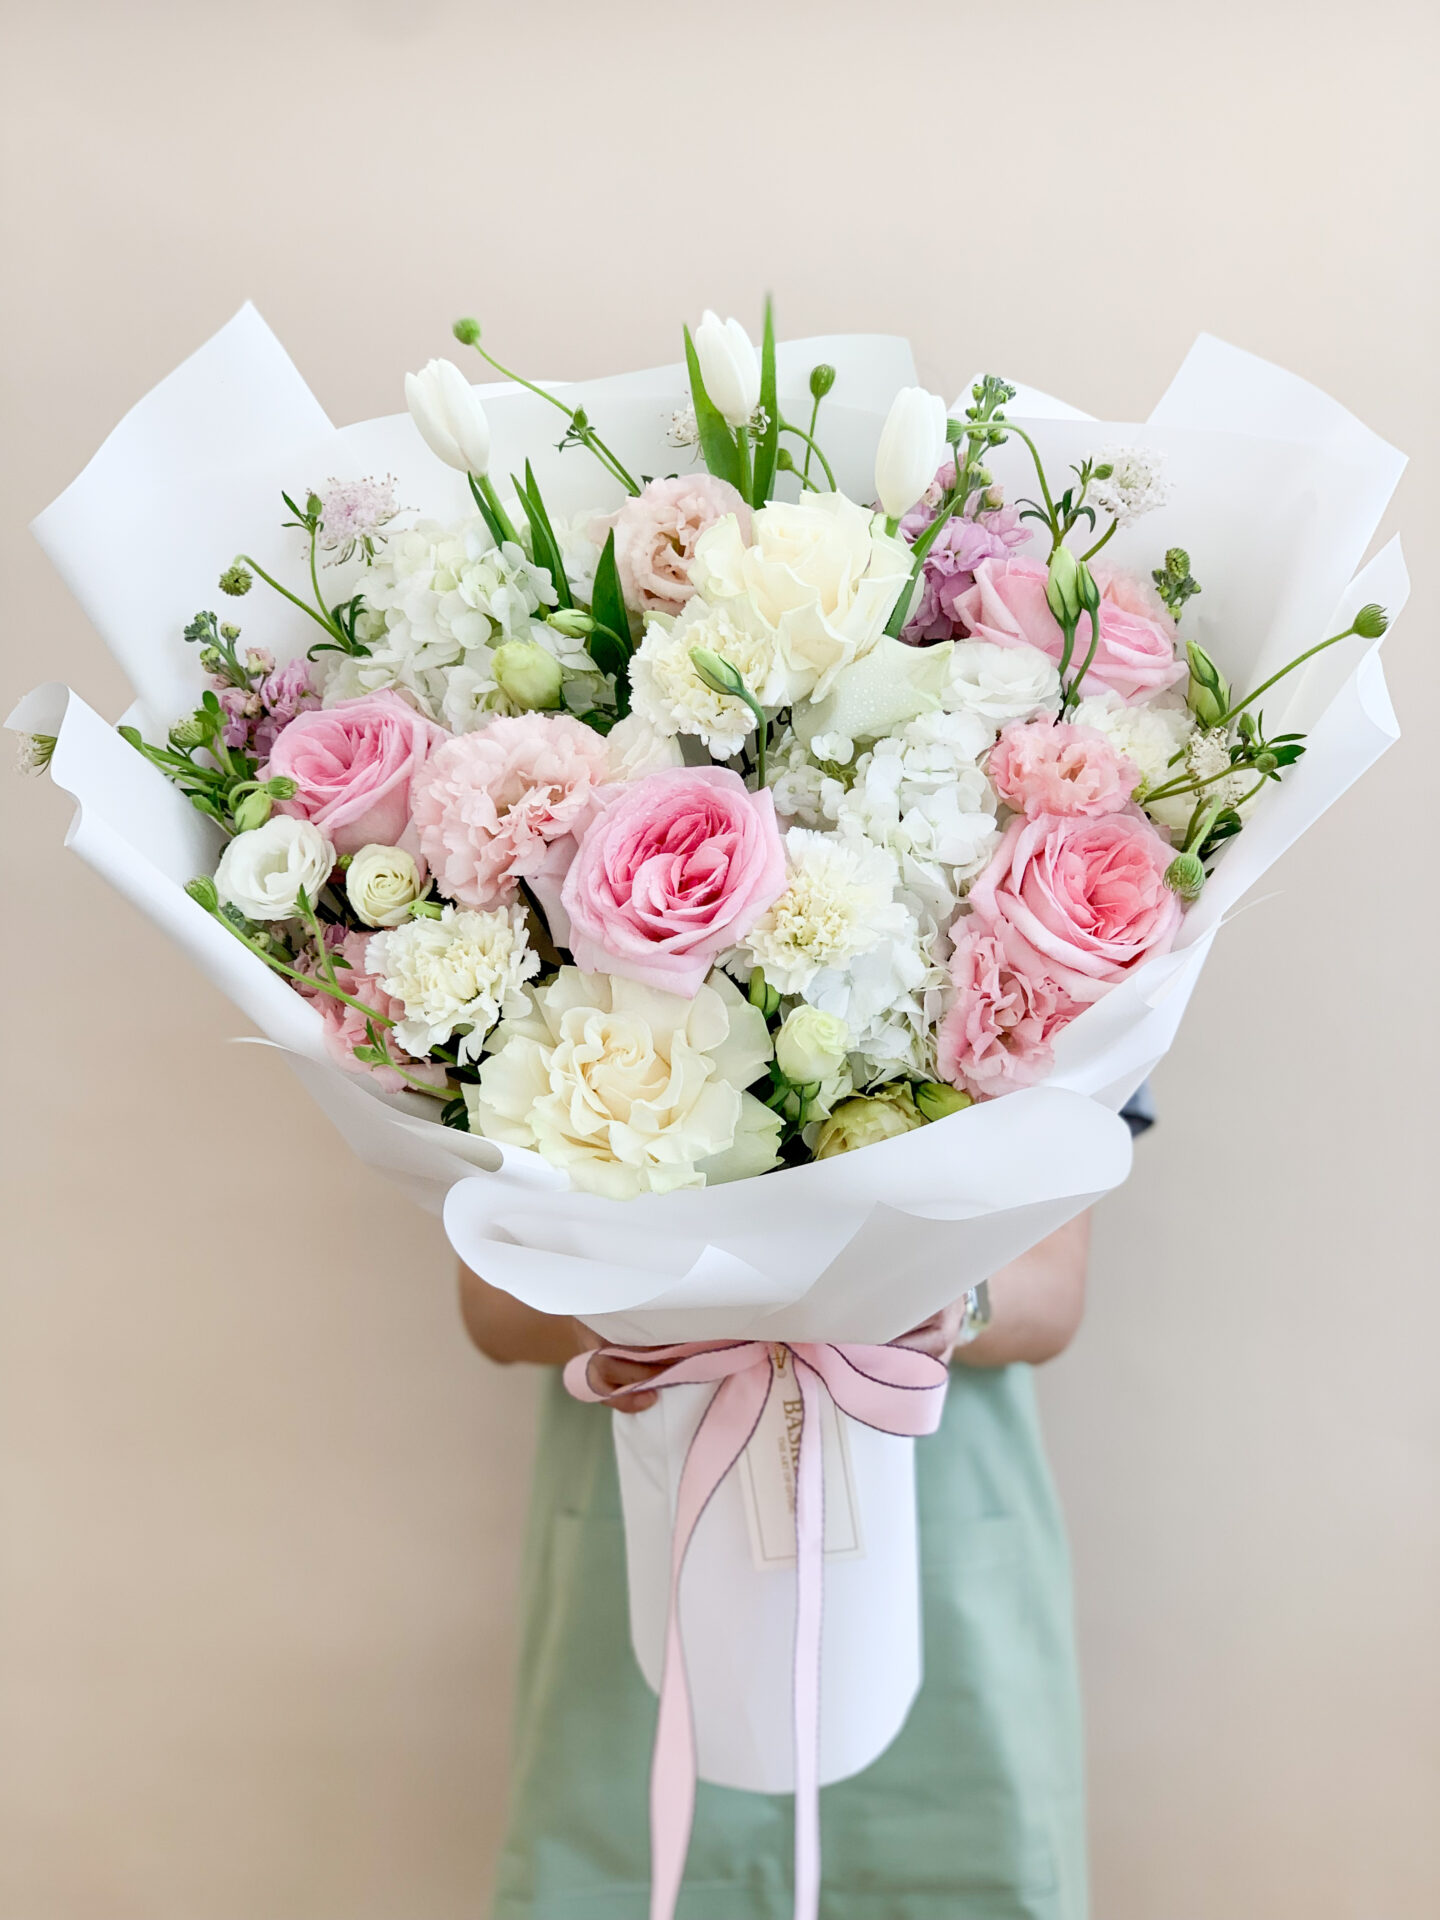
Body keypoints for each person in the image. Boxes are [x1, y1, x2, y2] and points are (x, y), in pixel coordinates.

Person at [460, 1093, 1153, 1920]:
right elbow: (494, 1309)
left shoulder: (1052, 977)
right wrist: (654, 1306)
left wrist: (940, 1300)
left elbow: (1054, 1294)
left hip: (946, 1534)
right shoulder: (534, 990)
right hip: (641, 1515)